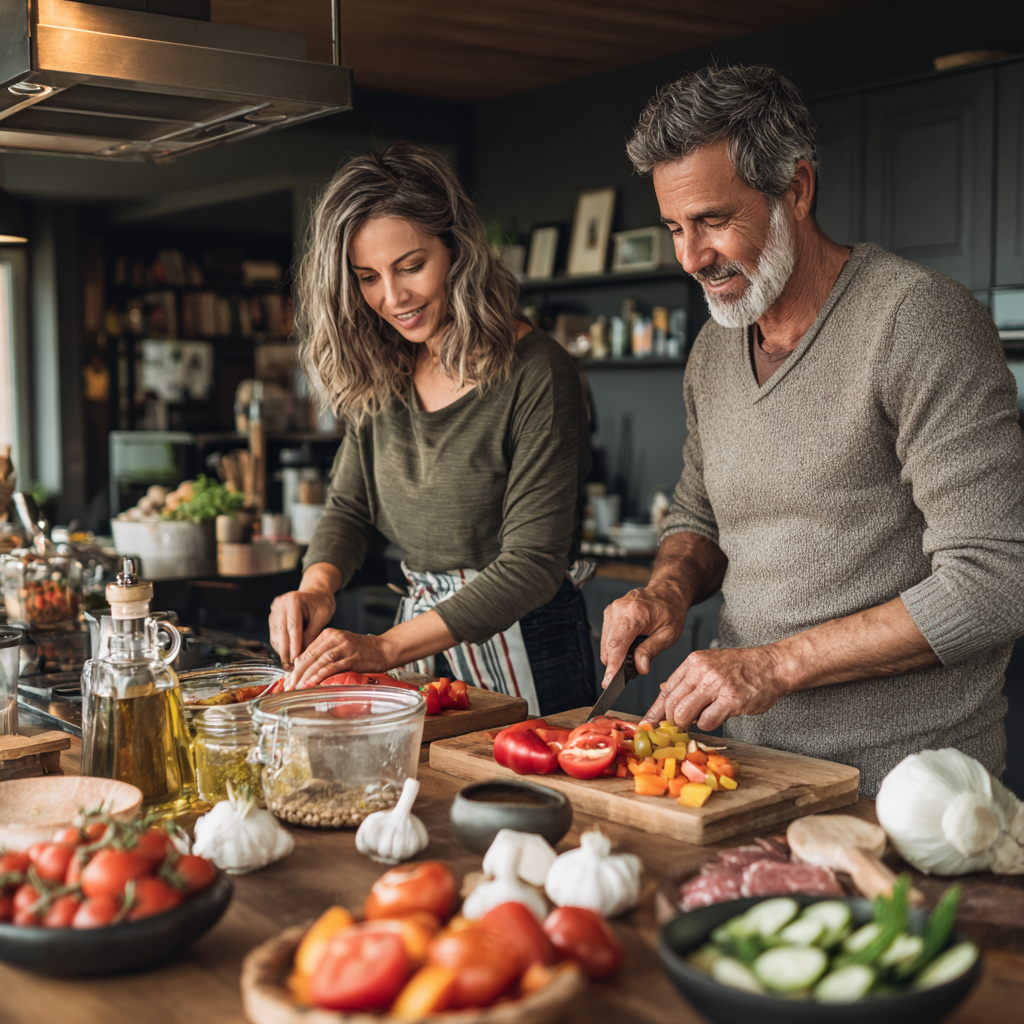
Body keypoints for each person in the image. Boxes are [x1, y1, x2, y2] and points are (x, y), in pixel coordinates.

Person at [601, 65, 1024, 795]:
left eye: (713, 220)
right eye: (675, 227)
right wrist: (668, 589)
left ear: (795, 189)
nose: (690, 258)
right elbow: (700, 519)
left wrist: (773, 665)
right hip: (750, 768)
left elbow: (994, 583)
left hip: (908, 785)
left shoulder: (916, 322)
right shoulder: (713, 350)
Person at [269, 142, 594, 716]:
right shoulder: (384, 368)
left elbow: (532, 564)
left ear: (458, 249)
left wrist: (383, 647)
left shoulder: (539, 371)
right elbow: (349, 506)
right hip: (417, 644)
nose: (392, 298)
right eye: (368, 277)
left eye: (411, 266)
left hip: (527, 646)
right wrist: (316, 586)